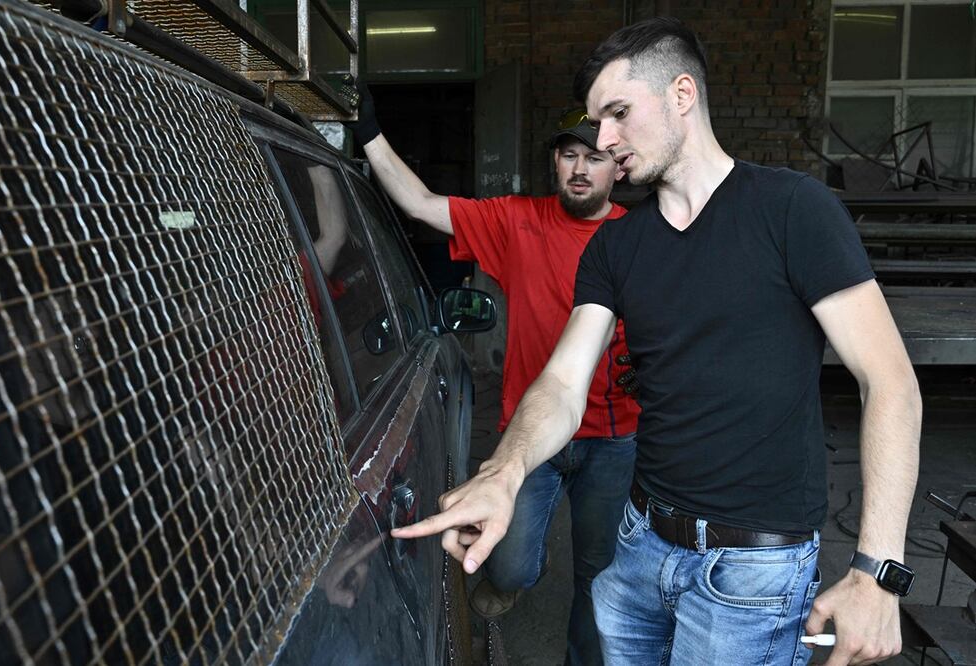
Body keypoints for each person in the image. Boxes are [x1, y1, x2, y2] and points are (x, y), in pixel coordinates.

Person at [392, 17, 922, 666]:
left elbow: (888, 382)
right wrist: (505, 471)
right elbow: (562, 382)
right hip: (640, 546)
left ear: (681, 94)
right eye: (595, 123)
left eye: (617, 114)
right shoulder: (616, 245)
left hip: (752, 569)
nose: (603, 140)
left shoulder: (792, 209)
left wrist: (877, 570)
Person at [348, 87, 641, 666]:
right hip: (529, 435)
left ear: (619, 168)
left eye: (595, 157)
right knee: (508, 565)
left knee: (600, 577)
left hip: (612, 438)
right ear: (555, 161)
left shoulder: (639, 237)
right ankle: (523, 571)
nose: (580, 169)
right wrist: (368, 132)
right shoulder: (517, 221)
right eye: (569, 155)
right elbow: (421, 204)